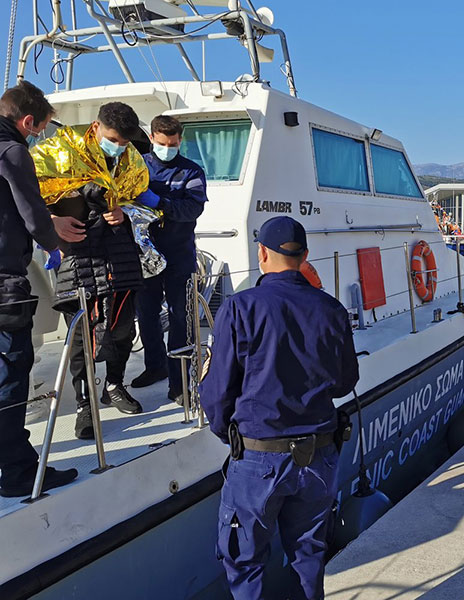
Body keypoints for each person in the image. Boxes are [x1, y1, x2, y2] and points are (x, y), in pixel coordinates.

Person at [199, 216, 359, 600]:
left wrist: (230, 434)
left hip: (259, 459)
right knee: (308, 554)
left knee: (245, 560)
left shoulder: (241, 307)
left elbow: (219, 391)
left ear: (262, 253)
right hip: (319, 455)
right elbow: (345, 382)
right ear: (304, 256)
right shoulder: (331, 309)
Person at [42, 102, 149, 439]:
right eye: (113, 138)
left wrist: (125, 213)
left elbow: (143, 200)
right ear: (96, 126)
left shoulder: (132, 158)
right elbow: (22, 196)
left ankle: (114, 384)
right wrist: (51, 222)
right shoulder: (58, 149)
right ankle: (84, 404)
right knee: (80, 336)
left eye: (124, 142)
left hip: (119, 254)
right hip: (78, 255)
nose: (118, 146)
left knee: (121, 328)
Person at [0, 81, 78, 497]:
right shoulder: (12, 151)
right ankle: (17, 473)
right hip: (4, 284)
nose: (37, 137)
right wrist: (55, 244)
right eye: (39, 130)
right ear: (27, 121)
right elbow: (31, 211)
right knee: (11, 374)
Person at [132, 115, 207, 404]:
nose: (168, 148)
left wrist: (160, 203)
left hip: (179, 253)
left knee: (181, 318)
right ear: (152, 138)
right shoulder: (137, 167)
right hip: (145, 252)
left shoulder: (191, 172)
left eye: (173, 144)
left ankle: (180, 383)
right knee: (146, 314)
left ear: (180, 140)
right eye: (162, 143)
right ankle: (155, 367)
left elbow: (193, 209)